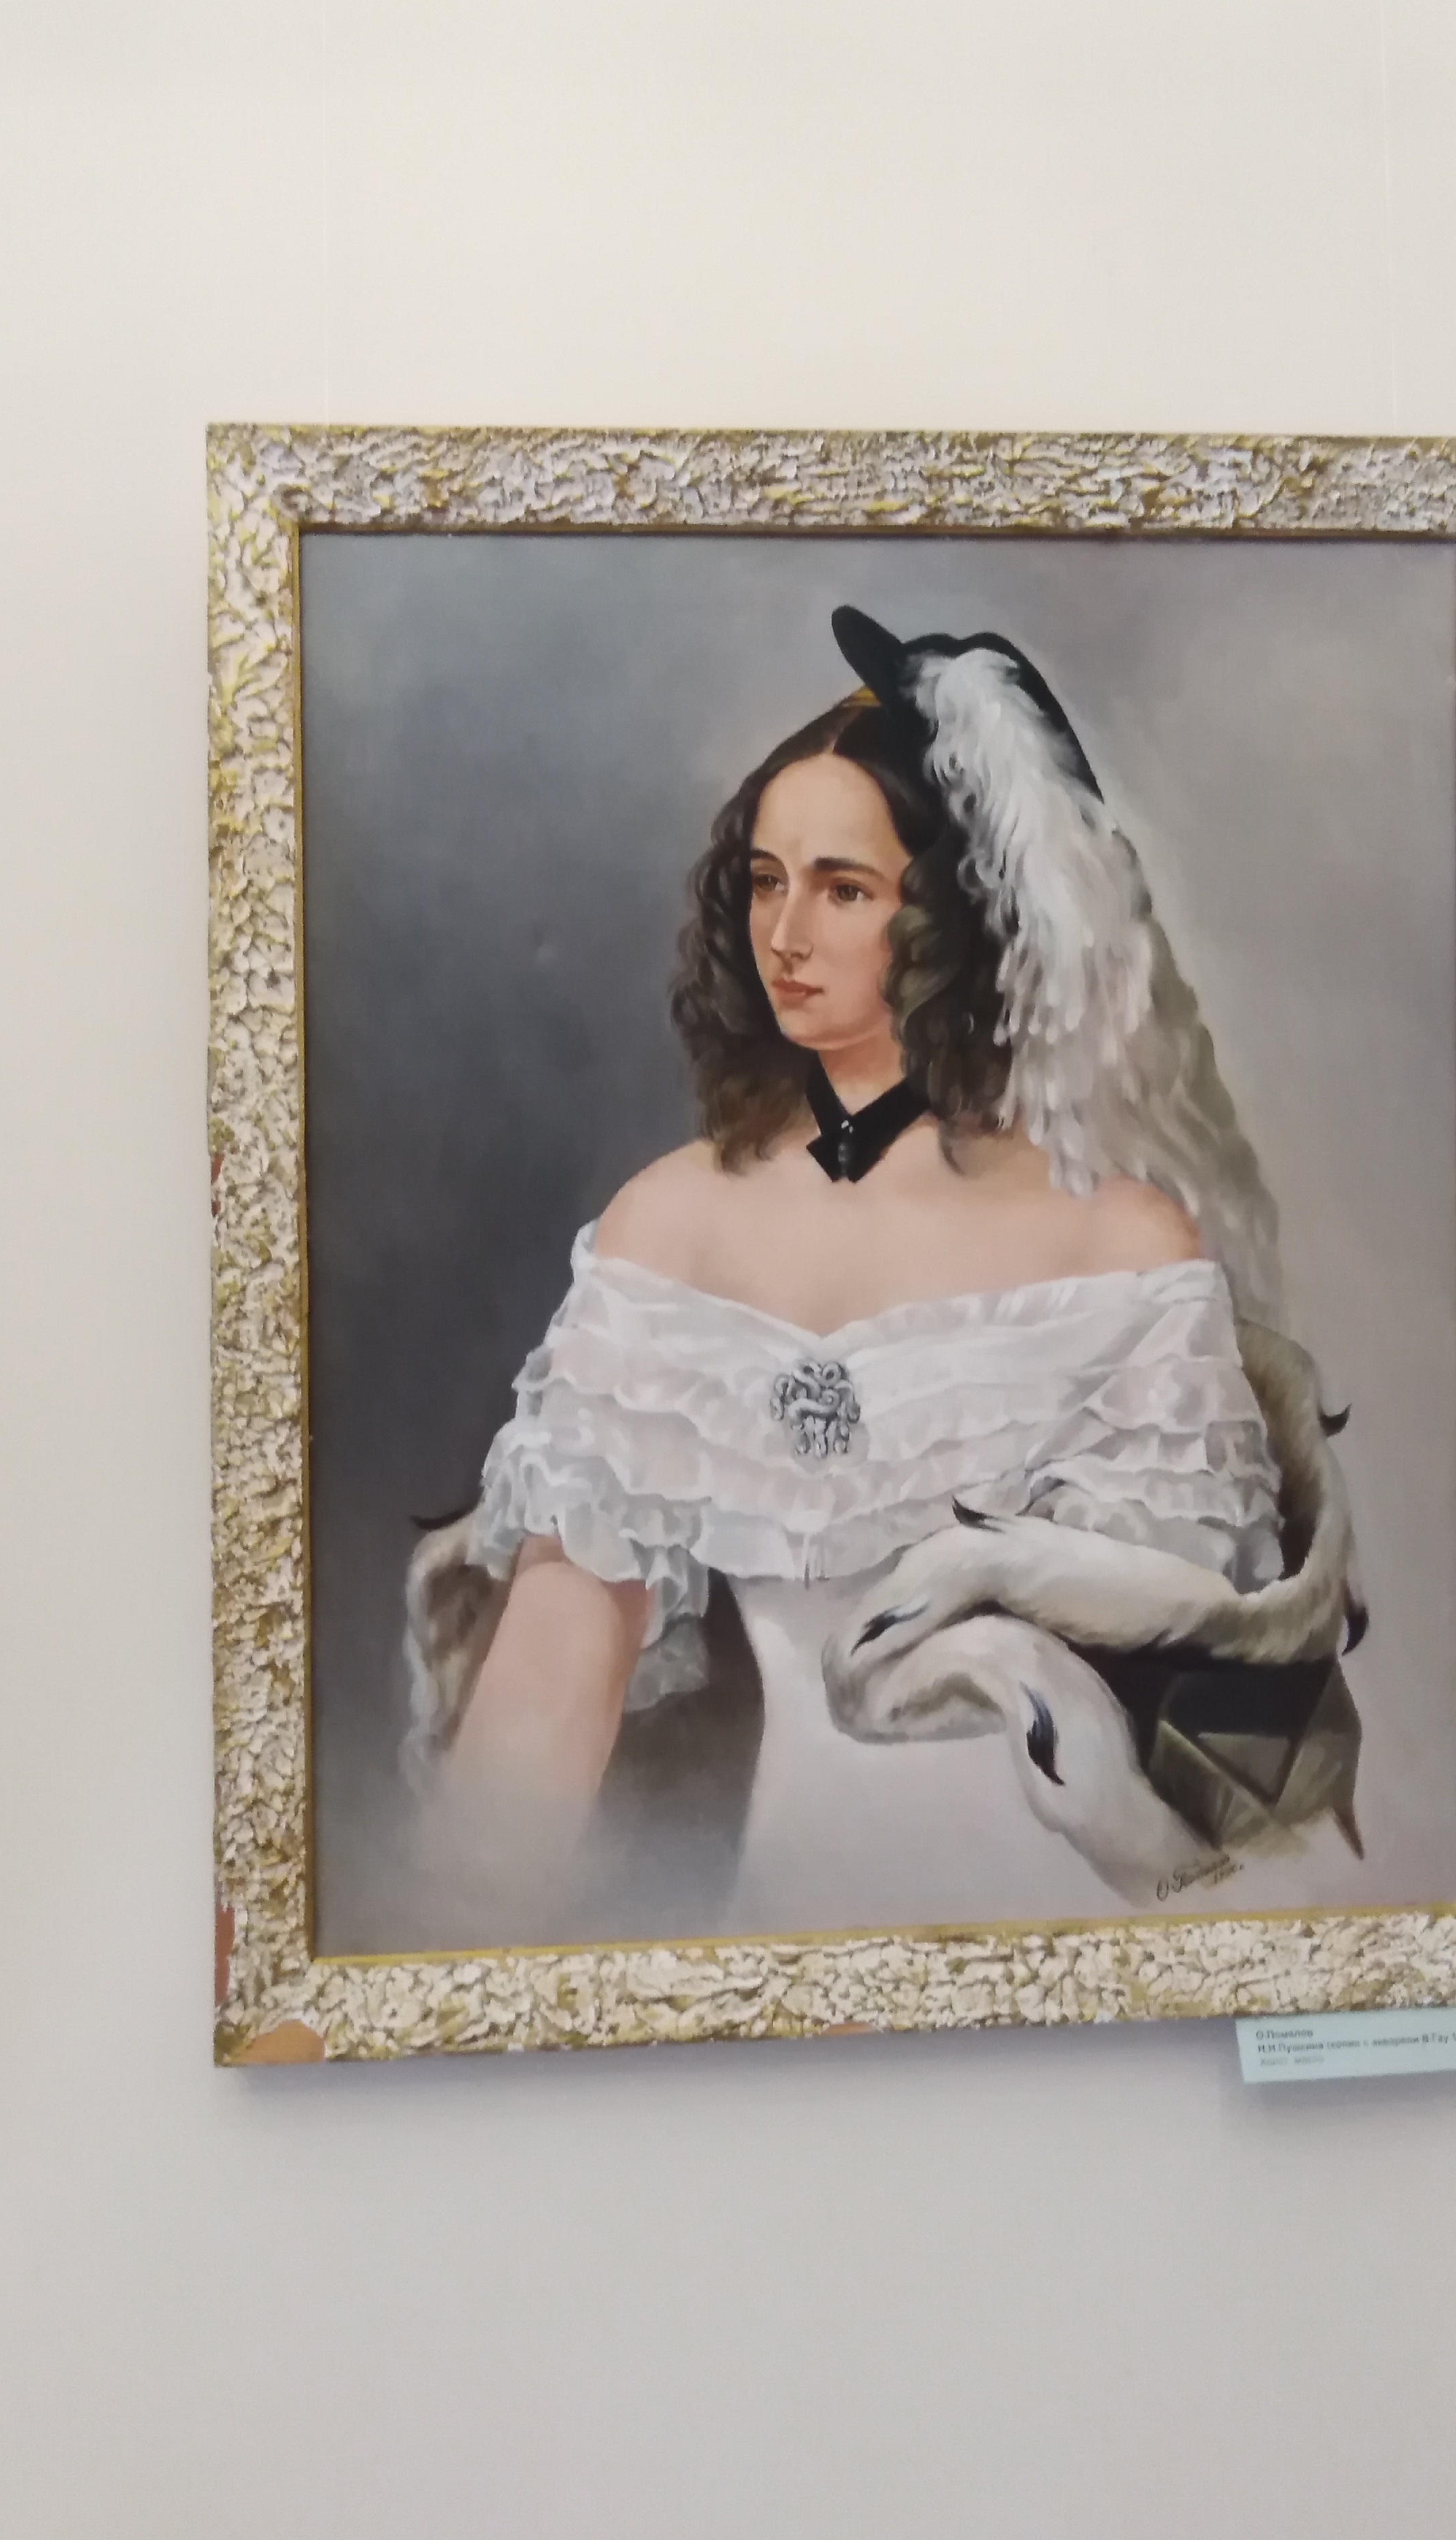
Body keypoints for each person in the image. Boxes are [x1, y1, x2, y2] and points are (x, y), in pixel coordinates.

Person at [402, 608, 1364, 1940]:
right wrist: (459, 1933)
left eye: (844, 889)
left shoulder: (1123, 1242)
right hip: (790, 1923)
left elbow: (1191, 1702)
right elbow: (544, 1707)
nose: (785, 932)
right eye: (764, 880)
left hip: (1094, 1930)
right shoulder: (670, 1228)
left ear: (950, 923)